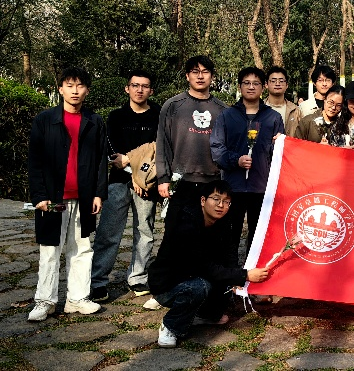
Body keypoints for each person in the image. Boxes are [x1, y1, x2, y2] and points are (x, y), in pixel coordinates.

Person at [27, 67, 107, 321]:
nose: (75, 91)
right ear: (60, 88)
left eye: (80, 85)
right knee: (50, 250)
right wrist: (39, 195)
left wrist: (98, 194)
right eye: (69, 85)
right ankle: (45, 301)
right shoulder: (45, 120)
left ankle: (77, 298)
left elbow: (101, 161)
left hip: (83, 196)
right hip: (53, 197)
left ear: (87, 90)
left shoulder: (95, 121)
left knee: (82, 248)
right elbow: (34, 161)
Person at [148, 180, 269, 348]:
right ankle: (171, 326)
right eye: (216, 199)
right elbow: (203, 267)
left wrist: (235, 276)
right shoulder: (186, 224)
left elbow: (229, 251)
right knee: (200, 287)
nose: (221, 205)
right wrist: (244, 275)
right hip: (168, 284)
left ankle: (202, 315)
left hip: (196, 275)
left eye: (226, 202)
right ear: (203, 200)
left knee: (222, 299)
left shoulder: (222, 222)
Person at [91, 70, 161, 302]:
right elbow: (115, 155)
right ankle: (98, 281)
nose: (140, 90)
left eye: (145, 86)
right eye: (135, 85)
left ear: (151, 90)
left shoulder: (159, 115)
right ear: (127, 88)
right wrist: (134, 176)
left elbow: (157, 149)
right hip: (119, 181)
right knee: (109, 232)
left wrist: (140, 177)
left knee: (145, 232)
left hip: (147, 183)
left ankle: (138, 277)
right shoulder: (116, 116)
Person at [210, 67, 284, 268]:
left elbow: (279, 155)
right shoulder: (227, 116)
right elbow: (217, 148)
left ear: (263, 87)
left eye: (256, 83)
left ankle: (253, 272)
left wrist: (279, 145)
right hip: (233, 187)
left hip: (261, 187)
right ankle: (229, 273)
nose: (251, 87)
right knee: (230, 232)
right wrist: (236, 160)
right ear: (239, 86)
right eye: (247, 83)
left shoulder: (273, 118)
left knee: (258, 233)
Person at [156, 55, 228, 229]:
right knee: (176, 233)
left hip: (212, 182)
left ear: (212, 76)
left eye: (205, 72)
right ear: (187, 76)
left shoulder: (223, 110)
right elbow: (163, 144)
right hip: (180, 181)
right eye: (195, 72)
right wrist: (163, 178)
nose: (200, 76)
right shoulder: (173, 105)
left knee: (209, 235)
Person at [264, 66, 301, 137]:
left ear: (287, 85)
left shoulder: (296, 111)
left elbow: (302, 137)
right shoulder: (258, 109)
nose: (277, 84)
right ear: (266, 85)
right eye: (273, 81)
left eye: (281, 81)